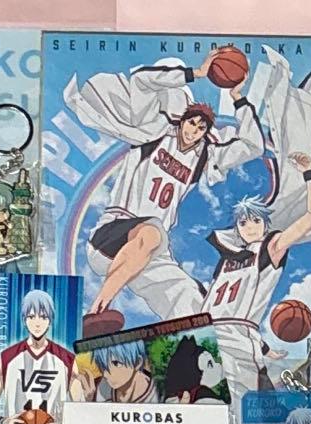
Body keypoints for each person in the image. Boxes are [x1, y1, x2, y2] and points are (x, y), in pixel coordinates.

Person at [64, 49, 266, 331]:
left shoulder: (206, 156)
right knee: (152, 231)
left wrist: (238, 98)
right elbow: (142, 81)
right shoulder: (154, 130)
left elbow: (253, 146)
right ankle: (96, 312)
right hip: (112, 234)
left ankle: (187, 356)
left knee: (194, 303)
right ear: (182, 120)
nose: (194, 131)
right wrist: (196, 73)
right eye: (191, 122)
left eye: (201, 128)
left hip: (150, 255)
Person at [0, 289, 83, 424]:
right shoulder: (7, 357)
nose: (37, 323)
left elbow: (80, 408)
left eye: (43, 317)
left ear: (50, 321)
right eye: (31, 317)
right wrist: (3, 421)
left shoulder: (67, 359)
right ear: (24, 320)